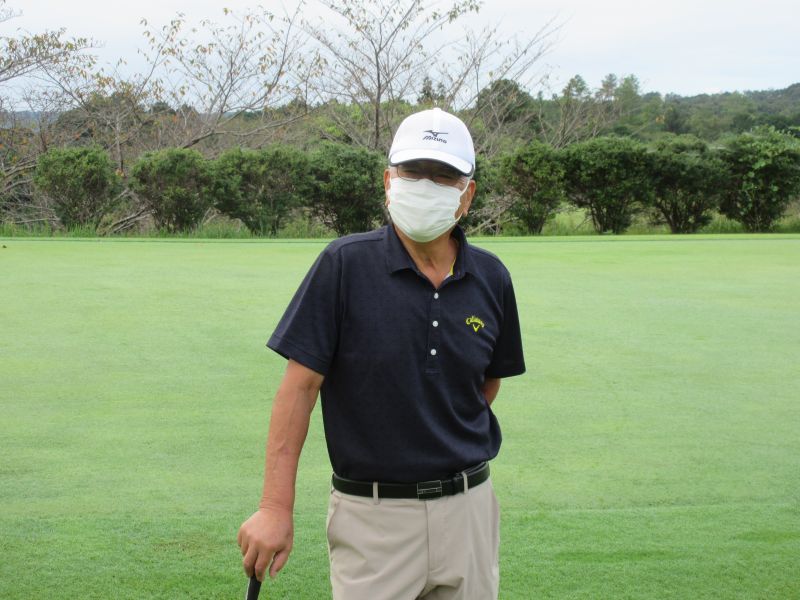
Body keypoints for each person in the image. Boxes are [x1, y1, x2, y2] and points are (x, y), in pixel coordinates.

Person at [237, 107, 526, 599]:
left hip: (469, 511)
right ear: (389, 180)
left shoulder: (492, 277)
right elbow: (299, 390)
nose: (426, 185)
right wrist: (274, 508)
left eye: (443, 175)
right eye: (413, 172)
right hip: (373, 520)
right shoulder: (344, 264)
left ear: (467, 194)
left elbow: (486, 384)